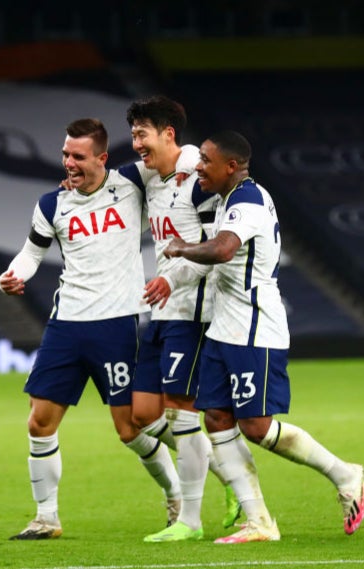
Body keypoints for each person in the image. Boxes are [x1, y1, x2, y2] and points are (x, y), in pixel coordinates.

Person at [163, 131, 364, 543]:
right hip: (226, 325)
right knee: (217, 417)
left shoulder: (249, 201)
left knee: (255, 426)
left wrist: (182, 248)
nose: (199, 165)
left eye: (206, 160)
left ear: (232, 167)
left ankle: (345, 473)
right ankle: (258, 522)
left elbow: (222, 250)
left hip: (253, 326)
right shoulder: (228, 199)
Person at [0, 118, 181, 540]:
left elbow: (177, 158)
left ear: (102, 158)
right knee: (39, 422)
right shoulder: (51, 204)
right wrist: (10, 276)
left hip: (117, 324)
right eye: (65, 155)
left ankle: (176, 492)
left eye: (78, 157)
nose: (69, 164)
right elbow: (30, 255)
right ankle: (46, 517)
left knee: (128, 430)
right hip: (66, 326)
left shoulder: (131, 182)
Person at [124, 96, 241, 543]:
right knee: (143, 414)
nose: (136, 144)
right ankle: (231, 475)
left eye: (142, 134)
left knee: (180, 412)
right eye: (133, 134)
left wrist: (174, 281)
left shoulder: (198, 176)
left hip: (192, 311)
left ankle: (189, 521)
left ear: (169, 133)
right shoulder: (152, 179)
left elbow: (215, 251)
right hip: (160, 311)